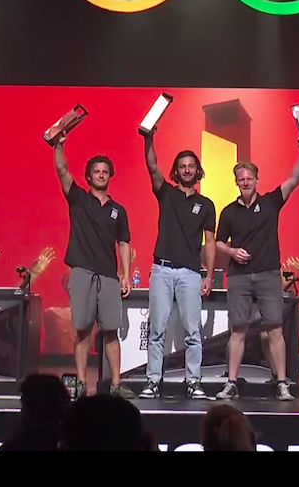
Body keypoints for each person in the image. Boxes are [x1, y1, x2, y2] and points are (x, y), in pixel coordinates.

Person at [213, 139, 299, 401]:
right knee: (238, 330)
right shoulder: (229, 212)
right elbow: (218, 242)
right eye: (241, 179)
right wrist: (232, 252)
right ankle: (231, 382)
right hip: (239, 276)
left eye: (249, 178)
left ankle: (282, 383)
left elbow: (293, 180)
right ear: (236, 182)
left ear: (257, 179)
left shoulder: (270, 203)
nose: (245, 182)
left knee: (274, 329)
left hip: (267, 274)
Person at [53, 134, 134, 399]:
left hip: (108, 276)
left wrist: (125, 274)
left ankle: (116, 384)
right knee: (83, 330)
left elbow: (123, 242)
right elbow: (62, 170)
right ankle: (80, 383)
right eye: (96, 171)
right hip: (82, 272)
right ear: (88, 176)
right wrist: (58, 144)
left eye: (105, 172)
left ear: (110, 176)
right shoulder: (78, 199)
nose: (101, 175)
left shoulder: (118, 210)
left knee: (110, 332)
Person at [139, 132, 216, 400]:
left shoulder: (206, 205)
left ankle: (193, 382)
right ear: (176, 171)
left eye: (191, 166)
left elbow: (210, 242)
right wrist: (148, 139)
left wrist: (209, 275)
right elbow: (152, 166)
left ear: (198, 171)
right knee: (157, 329)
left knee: (193, 332)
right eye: (182, 166)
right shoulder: (167, 194)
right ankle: (153, 381)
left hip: (190, 273)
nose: (186, 170)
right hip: (161, 270)